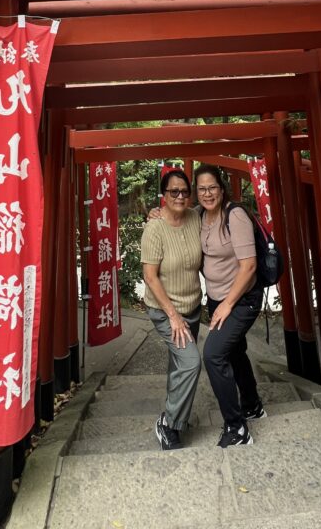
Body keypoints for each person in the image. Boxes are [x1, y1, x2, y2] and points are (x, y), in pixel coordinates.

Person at [196, 163, 265, 447]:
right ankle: (252, 405)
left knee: (213, 355)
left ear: (222, 189)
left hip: (241, 300)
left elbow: (248, 267)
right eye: (201, 188)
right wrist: (155, 213)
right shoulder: (199, 216)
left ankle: (237, 428)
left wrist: (227, 305)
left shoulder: (234, 215)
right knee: (235, 353)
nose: (207, 193)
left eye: (212, 187)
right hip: (216, 299)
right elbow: (173, 215)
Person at [140, 167, 203, 450]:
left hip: (192, 307)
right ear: (163, 196)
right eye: (173, 191)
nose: (179, 196)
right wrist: (174, 316)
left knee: (179, 363)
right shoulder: (155, 227)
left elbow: (215, 207)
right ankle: (169, 423)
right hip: (166, 311)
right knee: (191, 362)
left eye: (184, 192)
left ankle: (173, 413)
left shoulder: (195, 217)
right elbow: (150, 276)